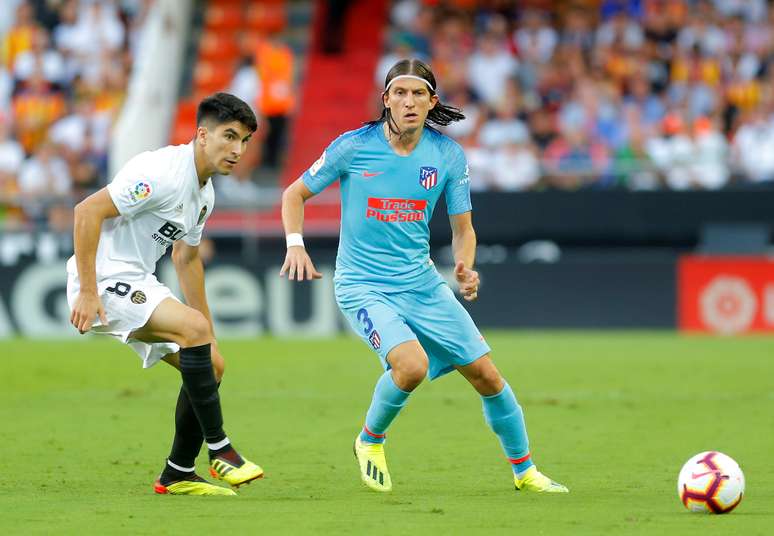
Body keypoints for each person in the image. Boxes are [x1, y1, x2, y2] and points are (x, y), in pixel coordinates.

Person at [280, 59, 568, 494]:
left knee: (488, 377)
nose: (408, 102)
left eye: (418, 94)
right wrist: (295, 244)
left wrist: (465, 266)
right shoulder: (353, 146)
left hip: (422, 284)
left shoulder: (447, 155)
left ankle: (525, 472)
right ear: (386, 100)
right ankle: (369, 440)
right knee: (410, 366)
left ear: (432, 101)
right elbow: (294, 193)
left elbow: (463, 228)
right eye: (400, 93)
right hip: (364, 285)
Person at [67, 93, 263, 496]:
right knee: (193, 332)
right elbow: (87, 210)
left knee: (212, 364)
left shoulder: (203, 195)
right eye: (229, 136)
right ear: (202, 135)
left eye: (244, 140)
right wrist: (88, 291)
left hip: (137, 279)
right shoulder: (160, 172)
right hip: (104, 278)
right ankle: (221, 451)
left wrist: (208, 334)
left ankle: (178, 473)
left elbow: (187, 260)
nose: (237, 149)